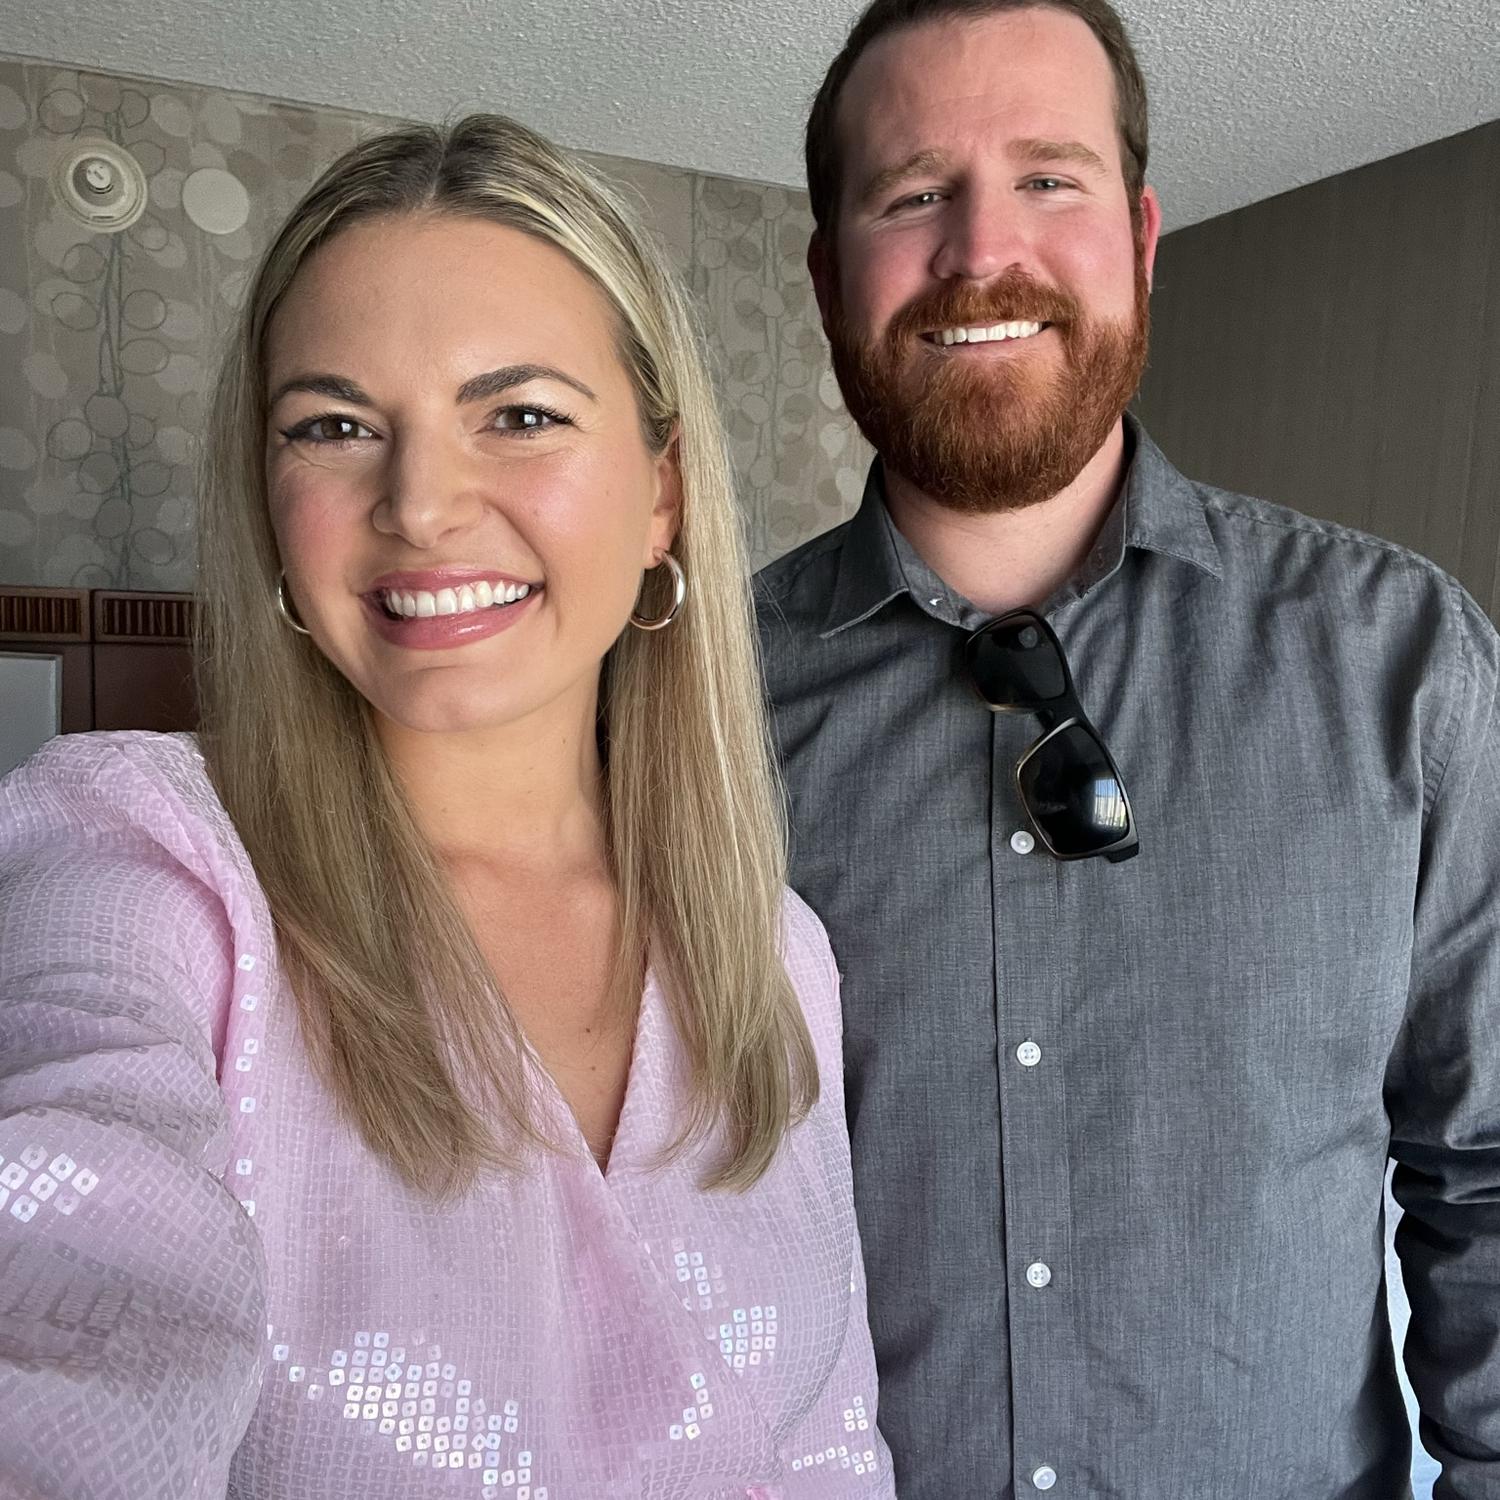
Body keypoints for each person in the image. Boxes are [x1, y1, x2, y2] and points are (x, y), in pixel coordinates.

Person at [0, 114, 895, 1499]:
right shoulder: (141, 856)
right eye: (335, 426)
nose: (419, 504)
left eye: (520, 415)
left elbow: (837, 1447)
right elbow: (66, 1273)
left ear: (662, 492)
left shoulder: (778, 956)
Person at [756, 2, 1500, 1496]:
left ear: (1142, 239)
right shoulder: (685, 710)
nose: (982, 251)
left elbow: (1487, 1176)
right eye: (913, 194)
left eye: (1050, 179)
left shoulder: (1403, 663)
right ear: (830, 276)